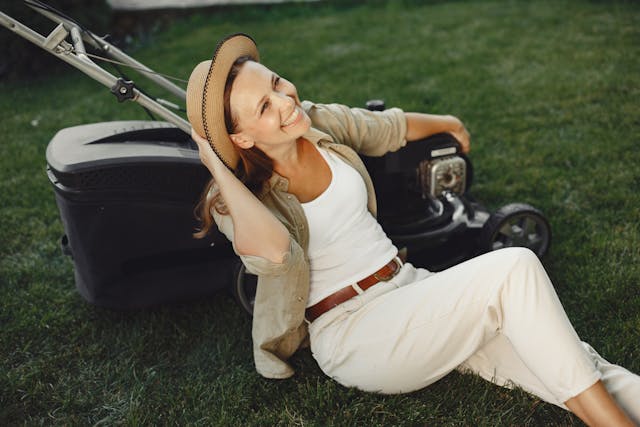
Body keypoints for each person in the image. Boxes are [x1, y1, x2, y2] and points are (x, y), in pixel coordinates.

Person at [185, 33, 639, 425]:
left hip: (409, 288)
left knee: (565, 354)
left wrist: (448, 124)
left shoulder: (315, 122)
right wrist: (215, 162)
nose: (287, 101)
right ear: (240, 138)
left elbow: (385, 128)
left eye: (277, 82)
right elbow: (275, 250)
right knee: (514, 268)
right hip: (354, 334)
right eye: (265, 106)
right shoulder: (231, 201)